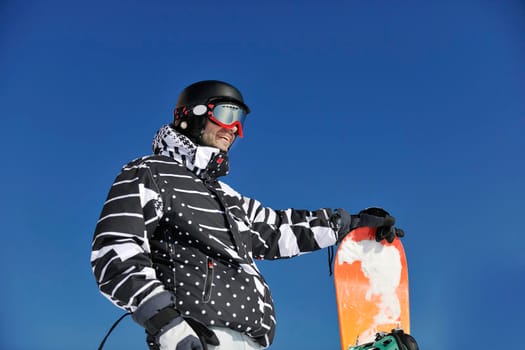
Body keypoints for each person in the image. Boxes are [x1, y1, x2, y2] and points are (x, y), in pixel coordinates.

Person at [91, 80, 405, 350]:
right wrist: (165, 322)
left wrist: (350, 224)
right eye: (227, 115)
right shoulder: (150, 172)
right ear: (191, 115)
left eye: (240, 119)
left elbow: (279, 228)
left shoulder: (229, 198)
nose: (235, 129)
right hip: (196, 335)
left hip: (251, 339)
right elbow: (116, 249)